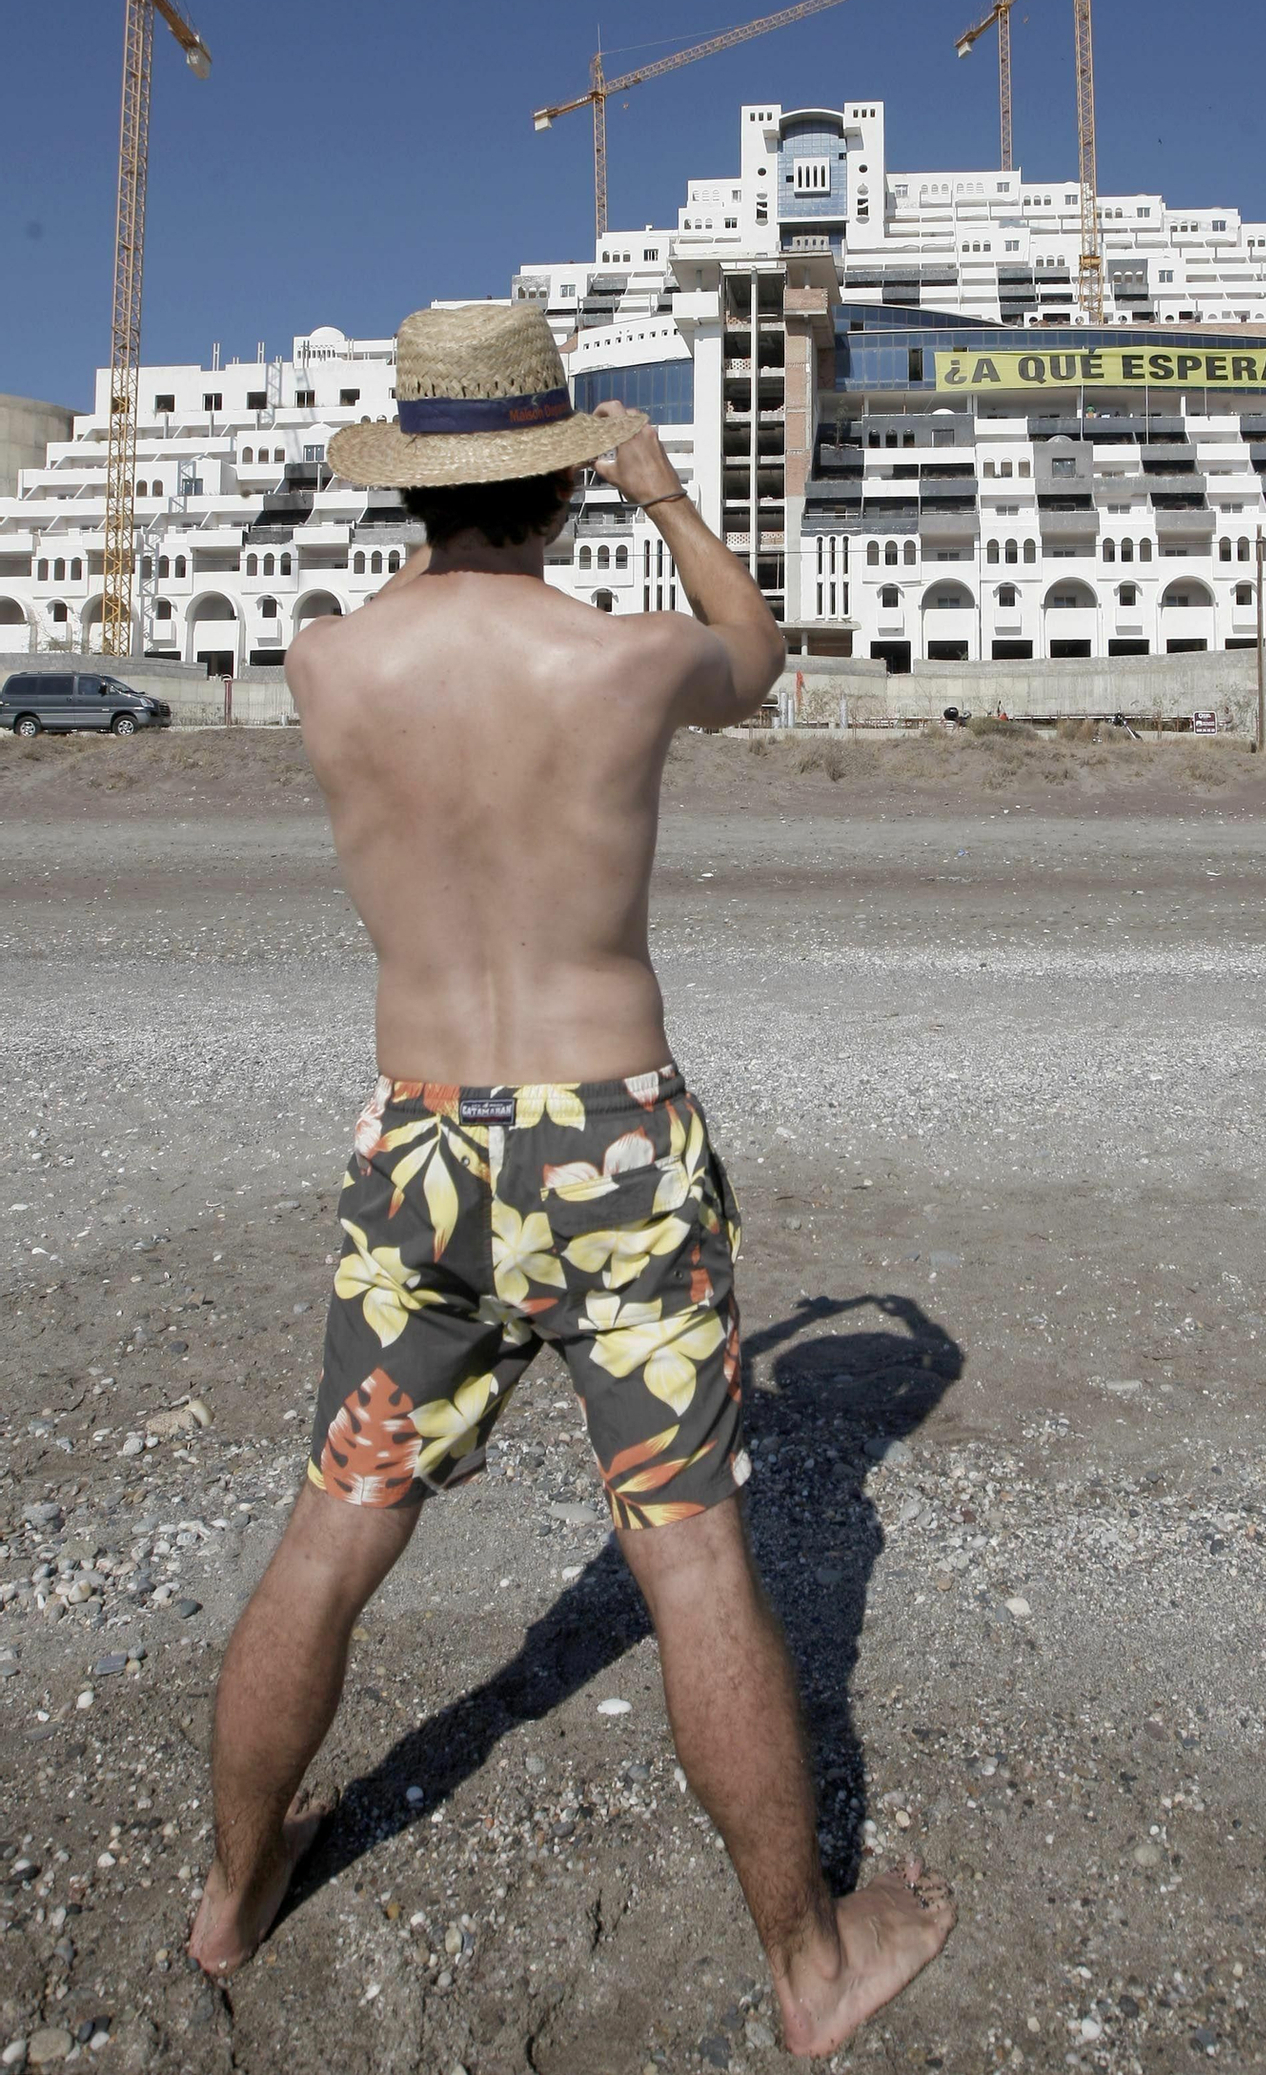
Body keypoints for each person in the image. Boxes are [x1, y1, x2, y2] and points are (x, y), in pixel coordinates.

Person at [187, 303, 955, 2052]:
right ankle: (810, 1971)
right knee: (690, 1558)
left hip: (423, 1140)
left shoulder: (326, 659)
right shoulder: (620, 658)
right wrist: (672, 499)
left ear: (418, 479)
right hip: (606, 1135)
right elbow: (755, 665)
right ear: (557, 477)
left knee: (333, 1530)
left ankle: (232, 1901)